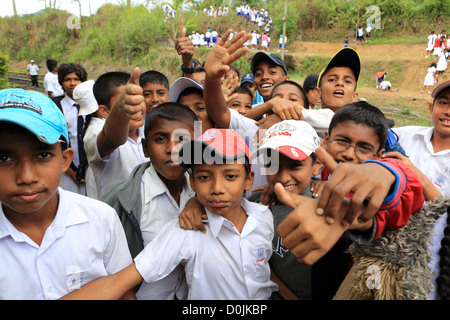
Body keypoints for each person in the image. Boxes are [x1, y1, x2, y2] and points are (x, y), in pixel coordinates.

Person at [60, 128, 278, 300]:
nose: (217, 188)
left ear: (249, 179)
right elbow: (119, 282)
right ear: (192, 182)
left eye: (230, 176)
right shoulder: (186, 231)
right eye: (204, 177)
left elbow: (264, 270)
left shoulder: (264, 218)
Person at [0, 88, 134, 300]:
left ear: (65, 159)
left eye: (43, 155)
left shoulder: (100, 219)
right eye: (4, 158)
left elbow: (124, 292)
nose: (26, 177)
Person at [101, 103, 198, 300]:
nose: (172, 149)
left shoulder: (207, 193)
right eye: (160, 139)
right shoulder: (119, 200)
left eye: (182, 139)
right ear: (145, 148)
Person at [85, 69, 147, 199]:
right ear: (105, 111)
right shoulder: (94, 133)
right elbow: (111, 139)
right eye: (125, 102)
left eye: (138, 100)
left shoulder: (148, 130)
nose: (136, 108)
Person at [392, 80, 450, 198]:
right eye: (443, 102)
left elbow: (444, 214)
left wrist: (414, 173)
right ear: (431, 108)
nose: (448, 112)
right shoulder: (405, 135)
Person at [53, 63, 88, 196]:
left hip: (90, 167)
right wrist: (70, 170)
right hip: (67, 167)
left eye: (76, 79)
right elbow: (56, 140)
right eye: (68, 80)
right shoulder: (56, 107)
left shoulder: (92, 105)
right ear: (62, 82)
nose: (72, 83)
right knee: (70, 199)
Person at [314, 47, 360, 112]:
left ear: (354, 96)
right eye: (332, 80)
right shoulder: (303, 118)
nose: (340, 83)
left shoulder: (361, 122)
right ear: (318, 92)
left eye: (347, 81)